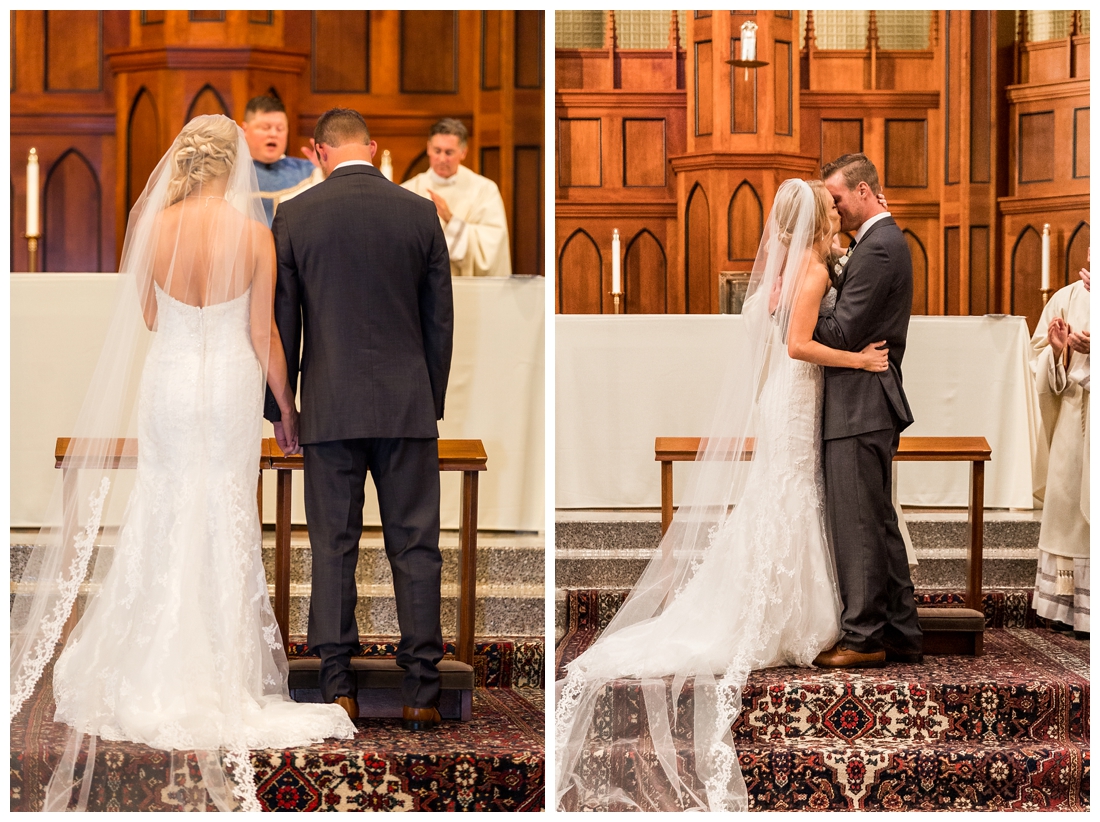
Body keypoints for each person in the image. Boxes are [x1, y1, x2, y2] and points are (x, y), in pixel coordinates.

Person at [9, 115, 355, 812]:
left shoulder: (155, 230)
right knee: (223, 512)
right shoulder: (254, 234)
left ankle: (147, 663)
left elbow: (148, 318)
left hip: (169, 384)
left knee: (165, 508)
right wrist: (286, 408)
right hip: (228, 386)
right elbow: (263, 335)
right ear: (233, 168)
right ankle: (217, 673)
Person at [556, 178, 890, 811]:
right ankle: (787, 615)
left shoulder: (793, 268)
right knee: (791, 498)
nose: (839, 214)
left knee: (786, 500)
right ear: (821, 216)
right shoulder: (814, 266)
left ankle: (789, 603)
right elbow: (798, 344)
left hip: (787, 399)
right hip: (798, 398)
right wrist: (860, 363)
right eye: (832, 208)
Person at [264, 108, 454, 730]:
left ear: (318, 150)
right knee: (416, 546)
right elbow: (439, 325)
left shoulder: (296, 215)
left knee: (333, 546)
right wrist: (430, 403)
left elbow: (283, 323)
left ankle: (338, 687)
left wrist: (283, 410)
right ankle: (421, 693)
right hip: (406, 406)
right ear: (373, 148)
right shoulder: (419, 209)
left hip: (329, 405)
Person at [811, 153, 923, 669]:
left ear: (862, 191)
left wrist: (806, 299)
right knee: (876, 521)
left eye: (835, 198)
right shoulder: (876, 244)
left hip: (861, 403)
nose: (831, 208)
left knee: (857, 522)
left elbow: (839, 332)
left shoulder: (878, 248)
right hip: (865, 403)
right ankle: (900, 631)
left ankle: (863, 637)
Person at [1030, 261, 1089, 635]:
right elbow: (1038, 356)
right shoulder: (1066, 297)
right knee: (1069, 509)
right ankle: (1072, 610)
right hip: (1073, 416)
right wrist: (1057, 352)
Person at [401, 118, 512, 277]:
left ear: (463, 152)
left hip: (470, 292)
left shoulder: (485, 190)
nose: (442, 159)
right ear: (428, 148)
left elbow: (493, 245)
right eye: (437, 151)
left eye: (449, 152)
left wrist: (451, 220)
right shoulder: (409, 190)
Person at [241, 95, 322, 225]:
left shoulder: (310, 172)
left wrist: (325, 172)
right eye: (265, 128)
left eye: (280, 129)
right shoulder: (228, 174)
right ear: (245, 130)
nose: (273, 134)